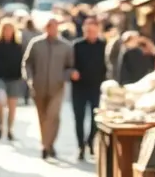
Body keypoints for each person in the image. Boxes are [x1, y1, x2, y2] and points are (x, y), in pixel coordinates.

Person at [22, 18, 73, 160]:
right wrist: (30, 79)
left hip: (57, 87)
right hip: (38, 86)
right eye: (50, 27)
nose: (53, 29)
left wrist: (66, 76)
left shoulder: (66, 47)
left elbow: (70, 67)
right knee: (43, 117)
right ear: (46, 28)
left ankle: (46, 145)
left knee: (53, 116)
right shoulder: (36, 44)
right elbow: (27, 63)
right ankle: (47, 144)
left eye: (55, 27)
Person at [70, 18, 106, 160]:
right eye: (88, 30)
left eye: (93, 30)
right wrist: (72, 72)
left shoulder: (103, 45)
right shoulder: (77, 45)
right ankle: (80, 146)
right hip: (79, 87)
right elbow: (69, 63)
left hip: (96, 87)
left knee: (95, 118)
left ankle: (91, 141)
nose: (91, 33)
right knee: (79, 118)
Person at [0, 20, 25, 140]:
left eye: (10, 29)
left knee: (12, 105)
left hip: (14, 78)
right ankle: (0, 126)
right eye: (6, 29)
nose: (8, 32)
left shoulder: (18, 46)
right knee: (0, 102)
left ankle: (10, 129)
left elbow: (22, 61)